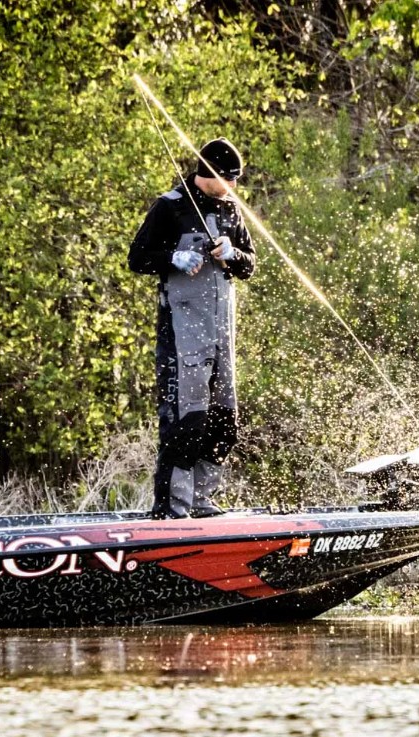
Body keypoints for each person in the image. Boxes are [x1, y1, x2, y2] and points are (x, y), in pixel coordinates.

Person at [128, 138, 256, 518]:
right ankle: (172, 509)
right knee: (186, 422)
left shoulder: (232, 208)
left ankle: (201, 502)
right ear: (209, 173)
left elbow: (249, 265)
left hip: (221, 337)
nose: (233, 185)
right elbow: (137, 257)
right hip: (181, 336)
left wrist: (232, 254)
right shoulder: (170, 206)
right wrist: (174, 258)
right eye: (228, 178)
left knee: (223, 423)